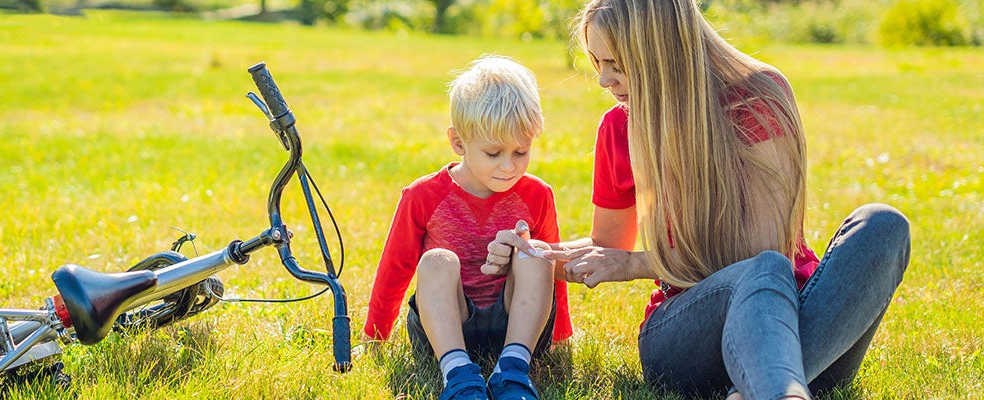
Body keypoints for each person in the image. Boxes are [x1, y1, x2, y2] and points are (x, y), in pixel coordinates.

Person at [484, 1, 911, 399]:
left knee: (883, 225)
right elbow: (608, 247)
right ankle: (781, 387)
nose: (603, 80)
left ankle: (770, 384)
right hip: (690, 333)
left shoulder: (757, 97)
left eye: (617, 64)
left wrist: (637, 263)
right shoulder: (619, 128)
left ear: (664, 52)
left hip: (810, 322)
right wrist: (534, 255)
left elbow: (761, 248)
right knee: (763, 272)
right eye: (598, 63)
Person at [362, 54, 573, 400]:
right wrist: (375, 338)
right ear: (459, 143)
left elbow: (556, 276)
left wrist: (560, 335)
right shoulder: (423, 195)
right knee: (436, 262)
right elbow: (394, 268)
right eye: (493, 153)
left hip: (516, 325)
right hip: (446, 326)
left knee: (538, 253)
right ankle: (458, 374)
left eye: (521, 151)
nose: (509, 166)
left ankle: (514, 369)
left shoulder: (538, 194)